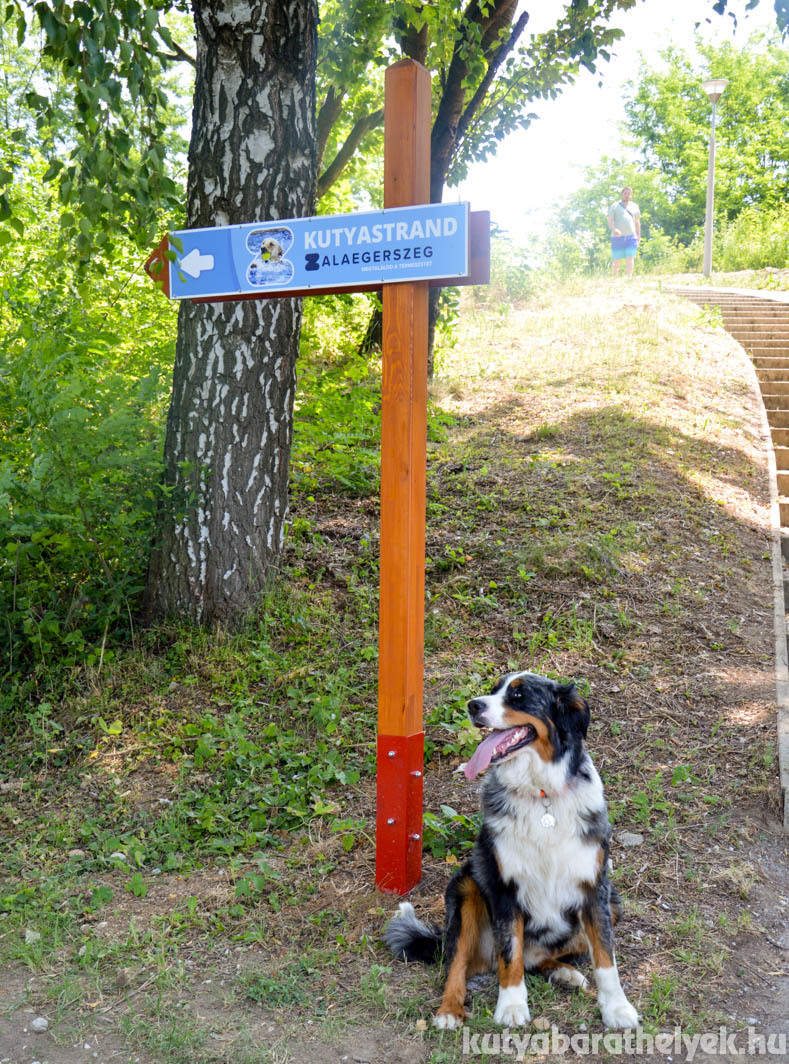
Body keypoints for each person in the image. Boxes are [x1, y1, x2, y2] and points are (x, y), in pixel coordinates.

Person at [607, 187, 641, 277]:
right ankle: (614, 277)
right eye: (625, 193)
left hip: (631, 236)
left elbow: (637, 223)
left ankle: (629, 277)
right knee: (616, 259)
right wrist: (614, 229)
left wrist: (638, 237)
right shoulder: (615, 206)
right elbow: (610, 221)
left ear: (631, 195)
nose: (627, 195)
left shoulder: (634, 206)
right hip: (617, 237)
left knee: (630, 257)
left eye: (629, 194)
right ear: (622, 194)